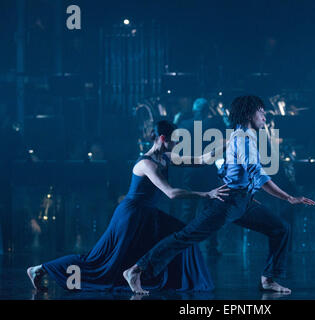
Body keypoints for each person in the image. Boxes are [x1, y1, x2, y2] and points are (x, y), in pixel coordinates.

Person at [123, 95, 315, 294]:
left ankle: (268, 279)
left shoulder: (243, 137)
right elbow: (258, 175)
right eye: (261, 112)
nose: (265, 117)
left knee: (280, 228)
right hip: (228, 202)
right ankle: (136, 269)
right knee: (186, 236)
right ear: (250, 114)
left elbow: (229, 170)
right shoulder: (242, 140)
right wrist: (289, 198)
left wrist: (247, 192)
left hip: (243, 201)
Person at [27, 120, 228, 293]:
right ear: (162, 139)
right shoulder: (146, 164)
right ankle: (40, 269)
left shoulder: (166, 158)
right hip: (130, 216)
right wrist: (206, 194)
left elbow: (202, 160)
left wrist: (227, 143)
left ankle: (175, 281)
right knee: (98, 261)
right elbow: (171, 193)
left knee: (183, 235)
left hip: (148, 215)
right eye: (175, 140)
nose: (177, 144)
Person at [177, 98, 225, 255]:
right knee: (210, 210)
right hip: (208, 171)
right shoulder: (214, 125)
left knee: (187, 210)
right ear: (206, 110)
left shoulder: (183, 125)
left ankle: (182, 245)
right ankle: (212, 247)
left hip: (189, 171)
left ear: (193, 110)